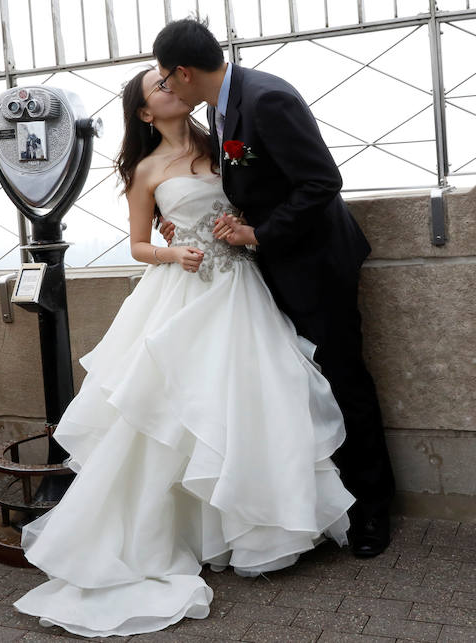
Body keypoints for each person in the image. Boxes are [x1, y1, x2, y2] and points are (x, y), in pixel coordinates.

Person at [12, 68, 355, 637]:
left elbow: (263, 190)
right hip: (187, 289)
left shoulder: (224, 140)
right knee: (178, 411)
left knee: (255, 397)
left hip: (243, 285)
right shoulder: (145, 170)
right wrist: (178, 255)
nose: (170, 87)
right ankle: (181, 533)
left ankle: (260, 525)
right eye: (157, 87)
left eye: (171, 80)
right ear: (146, 114)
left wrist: (243, 222)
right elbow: (141, 244)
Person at [152, 18, 394, 558]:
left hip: (316, 264)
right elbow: (252, 180)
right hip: (272, 266)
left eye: (166, 80)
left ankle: (373, 508)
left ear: (183, 72)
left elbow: (322, 182)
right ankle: (320, 504)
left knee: (340, 378)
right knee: (298, 384)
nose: (167, 89)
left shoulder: (267, 99)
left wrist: (260, 233)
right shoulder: (222, 107)